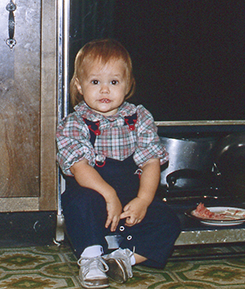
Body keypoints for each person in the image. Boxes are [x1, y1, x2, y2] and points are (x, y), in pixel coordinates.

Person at [56, 39, 181, 289]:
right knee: (80, 202)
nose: (105, 90)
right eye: (95, 82)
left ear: (127, 85)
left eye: (113, 82)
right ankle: (91, 258)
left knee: (169, 220)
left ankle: (124, 260)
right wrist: (109, 194)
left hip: (131, 199)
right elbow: (80, 169)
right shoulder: (74, 122)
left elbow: (151, 162)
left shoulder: (140, 117)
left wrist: (144, 201)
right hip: (95, 194)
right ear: (80, 86)